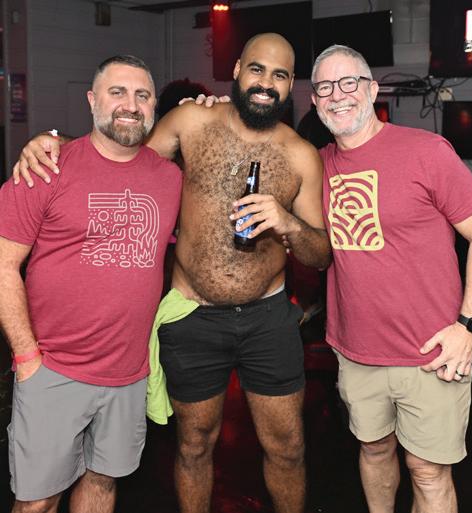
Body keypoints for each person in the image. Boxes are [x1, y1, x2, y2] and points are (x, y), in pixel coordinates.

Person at [11, 33, 331, 513]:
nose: (266, 83)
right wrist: (54, 144)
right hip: (193, 318)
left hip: (268, 318)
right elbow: (122, 154)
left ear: (291, 85)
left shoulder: (302, 154)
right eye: (257, 69)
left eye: (280, 75)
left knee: (288, 447)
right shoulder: (190, 121)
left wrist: (287, 223)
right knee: (193, 445)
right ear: (237, 70)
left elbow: (321, 255)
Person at [312, 45, 472, 513]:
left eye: (349, 82)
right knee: (374, 450)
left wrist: (470, 327)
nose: (338, 95)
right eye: (325, 87)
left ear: (372, 89)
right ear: (314, 101)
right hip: (356, 350)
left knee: (428, 471)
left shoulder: (425, 151)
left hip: (431, 351)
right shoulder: (316, 164)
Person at [0, 55, 182, 513]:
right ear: (91, 100)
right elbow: (3, 266)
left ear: (154, 106)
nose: (130, 105)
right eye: (117, 92)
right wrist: (26, 358)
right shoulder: (45, 168)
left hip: (129, 374)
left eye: (142, 95)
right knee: (37, 501)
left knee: (102, 482)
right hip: (53, 369)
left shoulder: (169, 178)